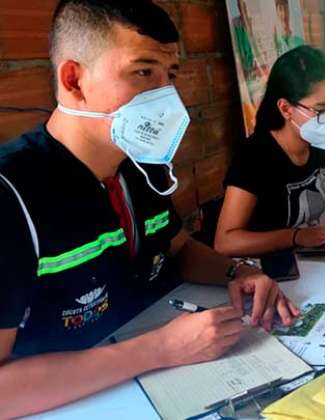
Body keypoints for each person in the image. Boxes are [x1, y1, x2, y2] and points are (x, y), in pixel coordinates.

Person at [0, 1, 299, 417]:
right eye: (143, 72)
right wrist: (159, 349)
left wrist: (239, 271)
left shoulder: (139, 165)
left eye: (169, 77)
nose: (165, 96)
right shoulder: (11, 196)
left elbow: (176, 247)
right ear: (74, 80)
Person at [215, 46, 325, 258]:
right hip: (265, 273)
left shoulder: (316, 144)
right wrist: (295, 237)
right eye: (320, 111)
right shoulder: (254, 157)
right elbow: (225, 242)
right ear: (285, 108)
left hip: (307, 261)